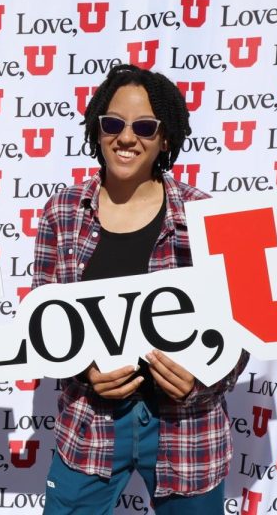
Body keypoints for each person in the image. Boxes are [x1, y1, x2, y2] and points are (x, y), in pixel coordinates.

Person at [33, 64, 247, 514]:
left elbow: (242, 330)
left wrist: (201, 382)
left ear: (165, 138)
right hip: (90, 423)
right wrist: (81, 367)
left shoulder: (203, 218)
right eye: (113, 123)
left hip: (186, 428)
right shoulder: (63, 212)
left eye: (145, 127)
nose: (126, 138)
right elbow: (44, 321)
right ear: (97, 127)